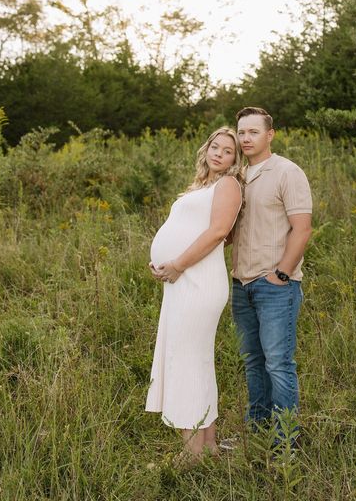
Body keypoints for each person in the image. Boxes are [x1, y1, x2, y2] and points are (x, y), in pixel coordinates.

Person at [145, 126, 243, 462]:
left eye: (227, 151)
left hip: (197, 280)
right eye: (215, 147)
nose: (218, 153)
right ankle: (209, 447)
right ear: (207, 149)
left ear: (236, 159)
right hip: (181, 278)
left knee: (187, 361)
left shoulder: (228, 184)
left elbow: (219, 232)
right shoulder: (202, 185)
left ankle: (191, 454)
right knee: (197, 361)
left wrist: (177, 264)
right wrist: (164, 262)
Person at [229, 106, 312, 447]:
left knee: (278, 364)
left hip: (275, 285)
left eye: (253, 132)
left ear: (269, 135)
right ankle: (258, 434)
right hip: (241, 283)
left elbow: (302, 229)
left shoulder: (287, 172)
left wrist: (282, 273)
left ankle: (285, 443)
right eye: (241, 132)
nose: (245, 138)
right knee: (253, 362)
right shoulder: (237, 178)